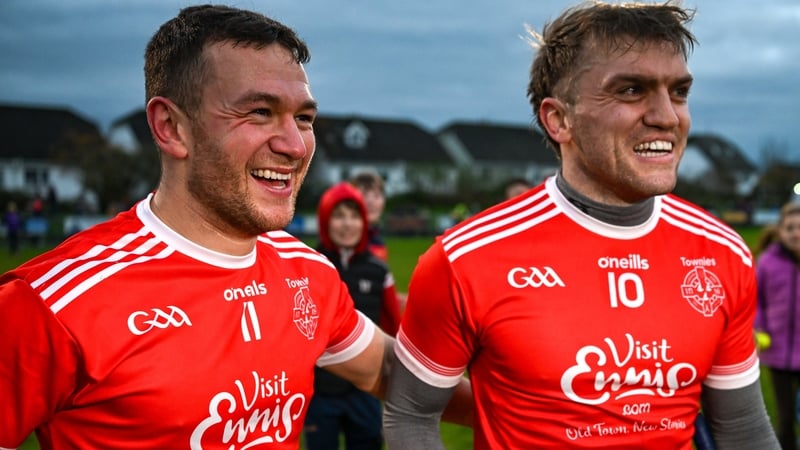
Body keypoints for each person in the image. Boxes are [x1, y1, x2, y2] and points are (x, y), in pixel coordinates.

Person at [0, 5, 470, 448]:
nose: (294, 145)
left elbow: (387, 371)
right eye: (259, 112)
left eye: (303, 118)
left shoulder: (307, 272)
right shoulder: (51, 305)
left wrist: (529, 402)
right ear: (171, 127)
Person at [384, 2, 779, 449]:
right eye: (632, 90)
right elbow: (411, 415)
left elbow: (743, 428)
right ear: (559, 120)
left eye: (679, 91)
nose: (667, 116)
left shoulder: (721, 251)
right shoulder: (465, 258)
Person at [303, 182, 402, 450]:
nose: (347, 224)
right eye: (338, 216)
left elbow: (395, 329)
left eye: (354, 216)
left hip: (366, 390)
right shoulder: (307, 266)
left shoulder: (378, 270)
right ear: (325, 221)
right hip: (320, 392)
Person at [754, 202, 800, 450]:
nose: (796, 233)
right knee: (784, 419)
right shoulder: (768, 262)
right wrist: (760, 327)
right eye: (790, 227)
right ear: (780, 231)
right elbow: (754, 299)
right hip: (779, 352)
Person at [349, 169, 389, 262]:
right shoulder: (345, 241)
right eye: (364, 195)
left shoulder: (377, 240)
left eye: (376, 195)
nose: (371, 202)